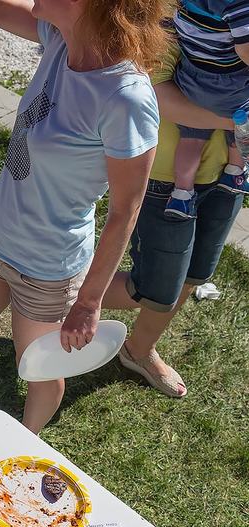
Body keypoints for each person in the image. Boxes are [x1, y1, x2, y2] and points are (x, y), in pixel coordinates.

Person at [0, 0, 166, 433]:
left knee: (40, 375)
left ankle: (21, 448)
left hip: (48, 270)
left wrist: (88, 302)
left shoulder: (125, 98)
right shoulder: (59, 39)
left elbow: (125, 211)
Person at [103, 41, 245, 398]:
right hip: (166, 174)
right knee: (151, 287)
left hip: (228, 171)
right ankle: (45, 293)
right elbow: (155, 92)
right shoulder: (166, 11)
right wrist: (237, 120)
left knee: (195, 272)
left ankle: (138, 350)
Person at [164, 0, 249, 219]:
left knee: (191, 138)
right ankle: (235, 174)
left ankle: (181, 195)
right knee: (240, 124)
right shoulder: (237, 3)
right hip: (229, 83)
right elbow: (245, 50)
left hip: (190, 79)